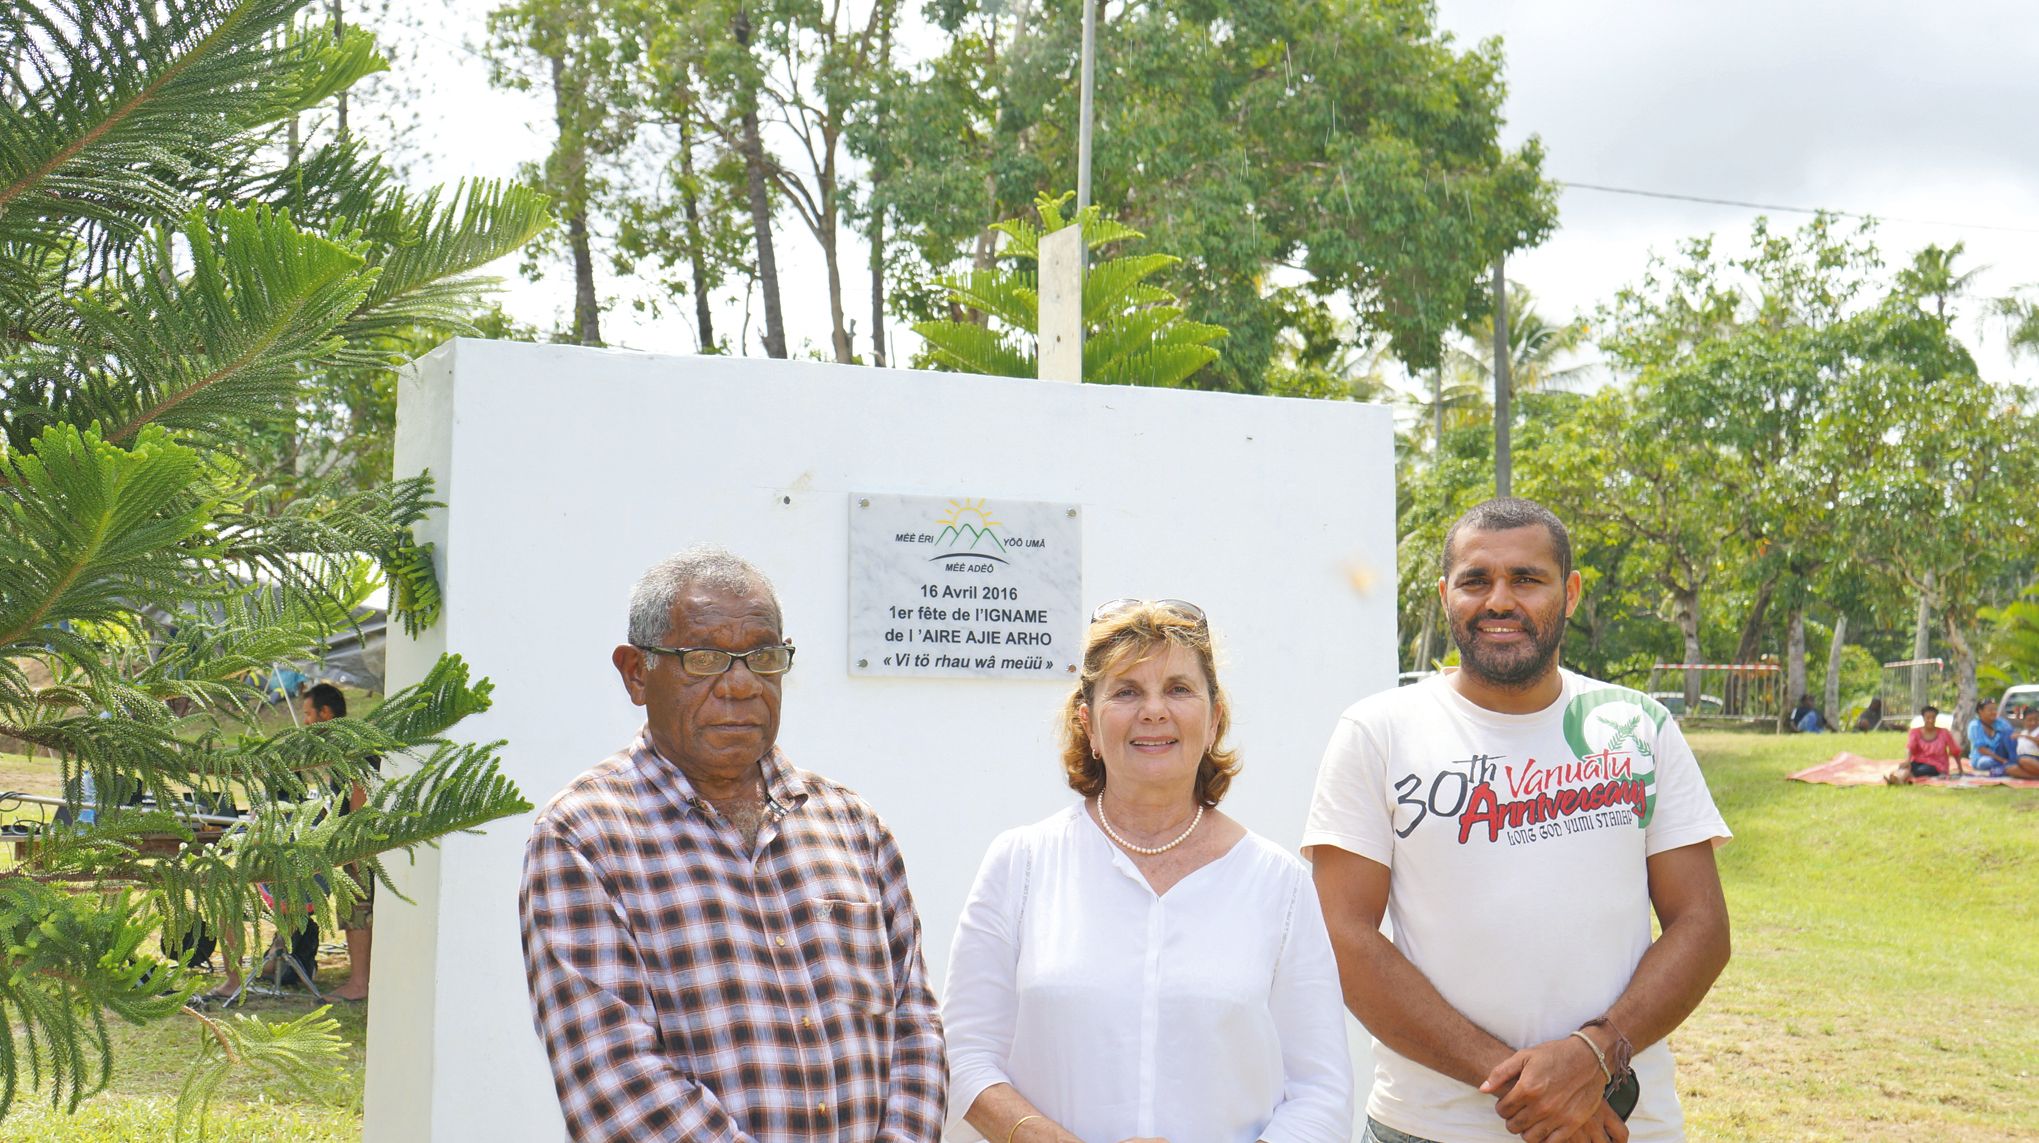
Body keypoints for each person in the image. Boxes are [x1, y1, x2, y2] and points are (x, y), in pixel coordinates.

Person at [1305, 497, 1733, 1143]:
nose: (1499, 600)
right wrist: (1534, 1088)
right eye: (1476, 580)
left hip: (1621, 1122)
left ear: (1570, 591)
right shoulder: (1378, 731)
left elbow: (1700, 924)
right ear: (1446, 593)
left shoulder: (1635, 724)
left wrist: (1594, 1055)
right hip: (1429, 1126)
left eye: (1526, 578)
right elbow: (1341, 936)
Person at [519, 547, 944, 1141]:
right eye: (705, 658)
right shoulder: (585, 835)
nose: (741, 685)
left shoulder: (854, 826)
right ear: (637, 673)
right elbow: (615, 1084)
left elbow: (915, 1029)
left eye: (763, 657)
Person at [943, 598, 1352, 1143]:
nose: (1154, 711)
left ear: (1214, 721)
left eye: (1179, 689)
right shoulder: (1022, 863)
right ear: (1087, 724)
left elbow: (1321, 1092)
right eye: (1127, 691)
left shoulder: (1279, 883)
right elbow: (963, 1055)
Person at [303, 682, 380, 1003]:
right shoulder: (341, 742)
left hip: (360, 841)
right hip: (354, 837)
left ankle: (360, 984)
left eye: (309, 714)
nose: (305, 721)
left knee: (356, 910)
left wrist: (352, 846)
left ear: (326, 712)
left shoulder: (350, 743)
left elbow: (360, 790)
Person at [1887, 705, 1961, 784]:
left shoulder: (1944, 733)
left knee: (1920, 771)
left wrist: (1960, 769)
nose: (1931, 720)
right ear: (1923, 718)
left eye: (1933, 718)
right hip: (1918, 761)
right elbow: (1910, 747)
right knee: (1906, 766)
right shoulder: (1915, 732)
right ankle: (1898, 778)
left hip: (1937, 765)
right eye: (1928, 718)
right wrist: (1907, 760)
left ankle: (1902, 779)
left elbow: (1955, 751)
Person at [1967, 699, 2016, 777]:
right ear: (1980, 711)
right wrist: (2002, 760)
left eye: (1995, 709)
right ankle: (2009, 766)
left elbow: (2013, 737)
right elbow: (1982, 749)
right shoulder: (1975, 726)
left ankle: (2011, 764)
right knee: (1984, 763)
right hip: (1983, 757)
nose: (1994, 712)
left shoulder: (2001, 722)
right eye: (1990, 710)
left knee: (2009, 734)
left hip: (2002, 755)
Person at [2008, 707, 2039, 779]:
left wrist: (2024, 736)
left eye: (2036, 720)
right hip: (2025, 763)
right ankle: (2036, 776)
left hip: (2034, 760)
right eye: (2030, 720)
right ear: (2024, 721)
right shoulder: (2023, 732)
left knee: (2023, 760)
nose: (2033, 722)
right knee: (2010, 769)